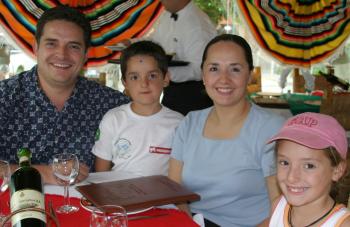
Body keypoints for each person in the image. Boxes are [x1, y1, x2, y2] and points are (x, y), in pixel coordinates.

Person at [0, 6, 129, 184]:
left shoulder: (113, 104)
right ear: (36, 47)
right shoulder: (4, 97)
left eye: (74, 46)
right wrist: (40, 172)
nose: (62, 54)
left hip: (91, 209)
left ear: (85, 55)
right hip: (14, 209)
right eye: (51, 43)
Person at [168, 34, 285, 227]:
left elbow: (280, 208)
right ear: (203, 75)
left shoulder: (270, 129)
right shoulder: (189, 123)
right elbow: (175, 193)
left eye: (235, 69)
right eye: (214, 69)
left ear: (250, 75)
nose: (224, 79)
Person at [92, 41, 183, 177]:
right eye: (134, 77)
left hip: (163, 197)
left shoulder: (179, 123)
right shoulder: (113, 119)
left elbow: (182, 173)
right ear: (125, 83)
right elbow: (101, 172)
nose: (144, 83)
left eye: (152, 76)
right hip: (119, 194)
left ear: (165, 78)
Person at [121, 0, 217, 115]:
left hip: (193, 95)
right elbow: (155, 40)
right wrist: (131, 43)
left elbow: (201, 69)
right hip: (171, 91)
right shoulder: (166, 15)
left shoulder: (197, 23)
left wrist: (160, 74)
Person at [266, 112, 350, 227]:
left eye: (309, 166)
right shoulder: (278, 207)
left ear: (337, 170)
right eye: (285, 163)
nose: (291, 177)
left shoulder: (343, 224)